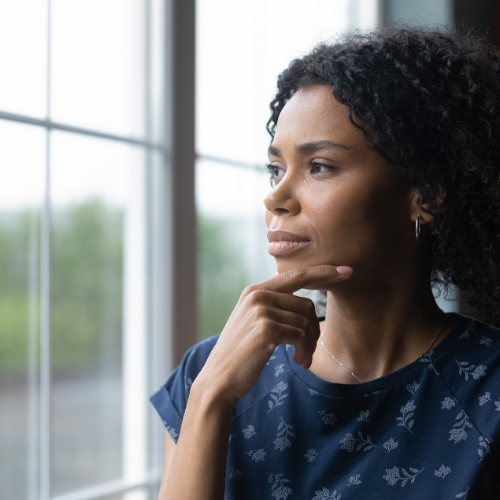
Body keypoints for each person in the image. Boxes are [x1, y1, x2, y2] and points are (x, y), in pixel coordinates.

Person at [150, 25, 500, 499]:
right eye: (276, 168)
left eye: (320, 167)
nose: (276, 197)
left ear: (427, 195)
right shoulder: (208, 371)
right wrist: (210, 397)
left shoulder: (489, 389)